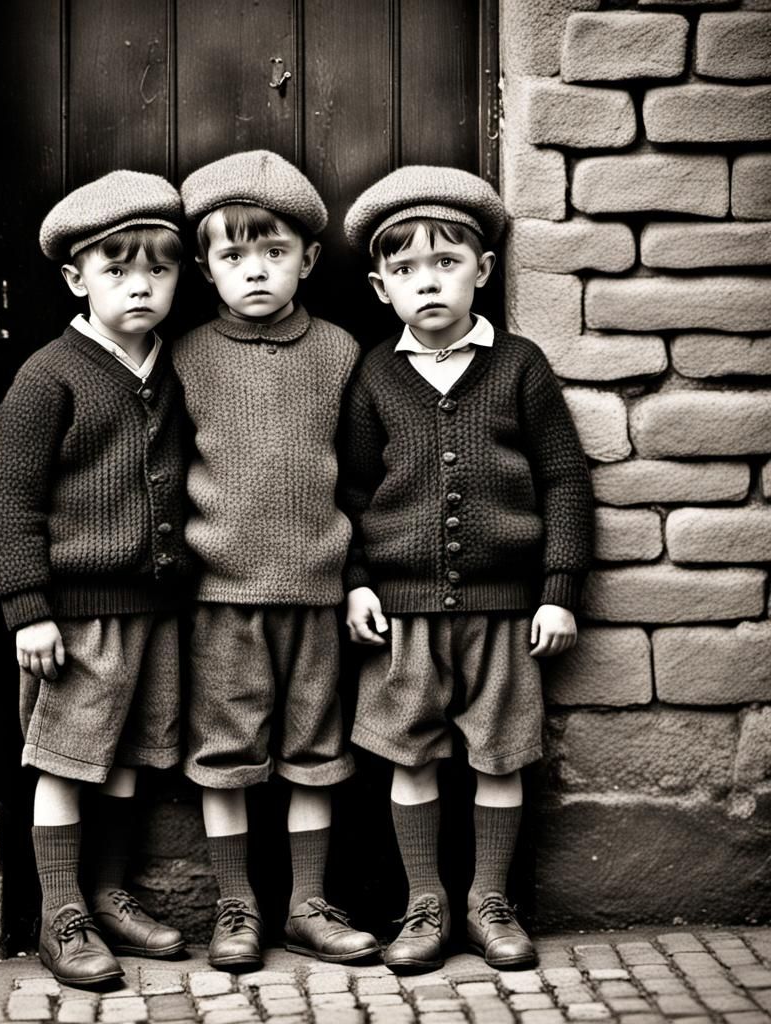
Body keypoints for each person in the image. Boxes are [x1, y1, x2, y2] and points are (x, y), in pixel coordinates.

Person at [340, 166, 593, 972]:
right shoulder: (375, 376)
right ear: (381, 287)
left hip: (504, 615)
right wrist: (356, 582)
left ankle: (489, 898)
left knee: (501, 755)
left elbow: (564, 480)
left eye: (446, 263)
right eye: (406, 268)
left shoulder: (519, 366)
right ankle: (427, 901)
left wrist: (558, 592)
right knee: (409, 756)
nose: (428, 282)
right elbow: (349, 491)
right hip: (403, 617)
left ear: (482, 271)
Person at [0, 170, 192, 986]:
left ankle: (107, 893)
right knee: (65, 761)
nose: (140, 285)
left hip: (152, 611)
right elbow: (7, 501)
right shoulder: (51, 375)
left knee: (127, 758)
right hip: (74, 617)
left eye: (159, 269)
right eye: (116, 269)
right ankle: (60, 913)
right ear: (76, 279)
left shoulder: (173, 368)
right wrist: (28, 608)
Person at [173, 150, 379, 970]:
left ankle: (306, 905)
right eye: (233, 255)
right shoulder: (185, 355)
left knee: (315, 753)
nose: (254, 270)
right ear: (205, 268)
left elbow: (360, 480)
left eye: (274, 252)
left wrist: (355, 580)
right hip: (221, 599)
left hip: (317, 595)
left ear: (310, 259)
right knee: (225, 756)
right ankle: (236, 905)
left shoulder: (340, 352)